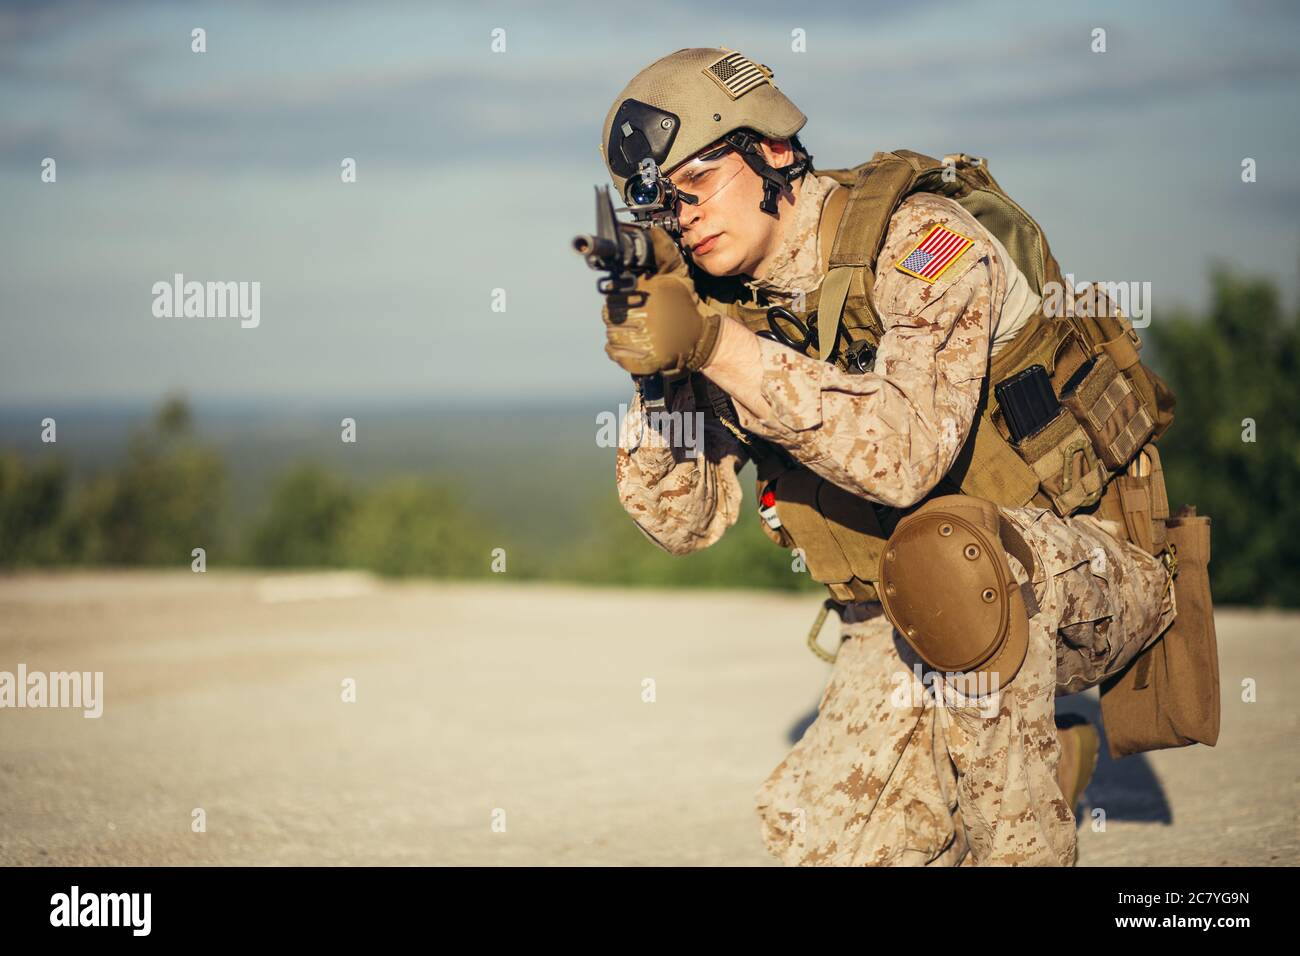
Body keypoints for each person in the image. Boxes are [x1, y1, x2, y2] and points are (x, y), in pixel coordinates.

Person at [596, 47, 1178, 866]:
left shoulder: (922, 241)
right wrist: (660, 375)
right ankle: (1054, 752)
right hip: (907, 610)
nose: (682, 215)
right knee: (825, 842)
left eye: (695, 182)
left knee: (960, 563)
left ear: (770, 149)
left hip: (1077, 571)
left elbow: (906, 458)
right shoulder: (716, 305)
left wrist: (719, 349)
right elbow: (681, 524)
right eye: (661, 203)